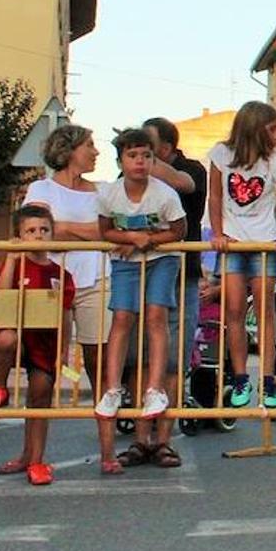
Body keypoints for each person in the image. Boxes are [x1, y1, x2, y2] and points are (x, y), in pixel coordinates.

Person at [94, 128, 187, 473]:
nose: (140, 162)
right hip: (125, 263)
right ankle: (114, 388)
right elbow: (105, 230)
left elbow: (179, 230)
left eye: (147, 156)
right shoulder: (110, 194)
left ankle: (153, 389)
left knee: (156, 317)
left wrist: (151, 239)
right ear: (121, 160)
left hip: (161, 259)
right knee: (122, 318)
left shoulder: (164, 194)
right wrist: (131, 237)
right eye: (133, 156)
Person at [207, 101, 276, 408]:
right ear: (256, 128)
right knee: (233, 309)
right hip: (233, 243)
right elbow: (216, 196)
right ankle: (240, 378)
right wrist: (218, 233)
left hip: (263, 242)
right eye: (273, 129)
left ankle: (269, 381)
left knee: (264, 311)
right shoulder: (221, 154)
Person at [21, 125, 109, 406]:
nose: (96, 152)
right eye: (90, 145)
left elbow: (108, 231)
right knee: (44, 365)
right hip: (51, 283)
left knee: (100, 361)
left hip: (96, 280)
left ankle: (107, 445)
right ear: (69, 150)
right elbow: (42, 232)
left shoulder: (103, 191)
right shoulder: (41, 188)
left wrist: (65, 226)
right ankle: (33, 449)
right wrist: (86, 230)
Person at [135, 116, 205, 464]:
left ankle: (164, 440)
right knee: (143, 358)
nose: (140, 156)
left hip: (183, 276)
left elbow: (183, 184)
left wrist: (146, 162)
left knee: (174, 358)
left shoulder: (192, 168)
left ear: (165, 147)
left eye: (147, 147)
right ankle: (140, 438)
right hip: (141, 273)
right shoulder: (132, 173)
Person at [0, 205, 75, 485]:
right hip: (18, 337)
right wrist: (12, 258)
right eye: (30, 231)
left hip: (44, 342)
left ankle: (35, 459)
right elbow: (2, 294)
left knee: (40, 395)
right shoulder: (14, 264)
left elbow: (65, 314)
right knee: (5, 339)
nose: (38, 236)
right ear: (20, 235)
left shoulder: (60, 273)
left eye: (44, 230)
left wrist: (64, 351)